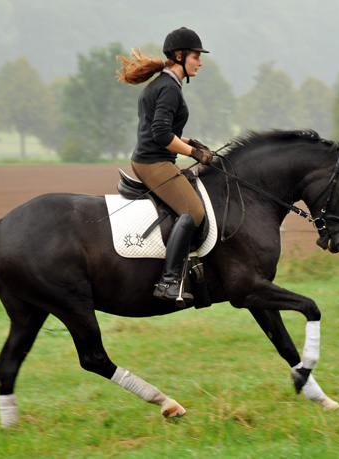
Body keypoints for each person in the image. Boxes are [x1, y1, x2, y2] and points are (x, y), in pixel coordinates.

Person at [117, 26, 213, 305]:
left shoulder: (160, 84)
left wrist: (188, 141)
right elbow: (160, 134)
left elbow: (158, 131)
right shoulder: (169, 88)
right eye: (197, 56)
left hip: (149, 158)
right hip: (154, 163)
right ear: (180, 56)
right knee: (194, 210)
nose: (200, 62)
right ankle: (169, 281)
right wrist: (193, 152)